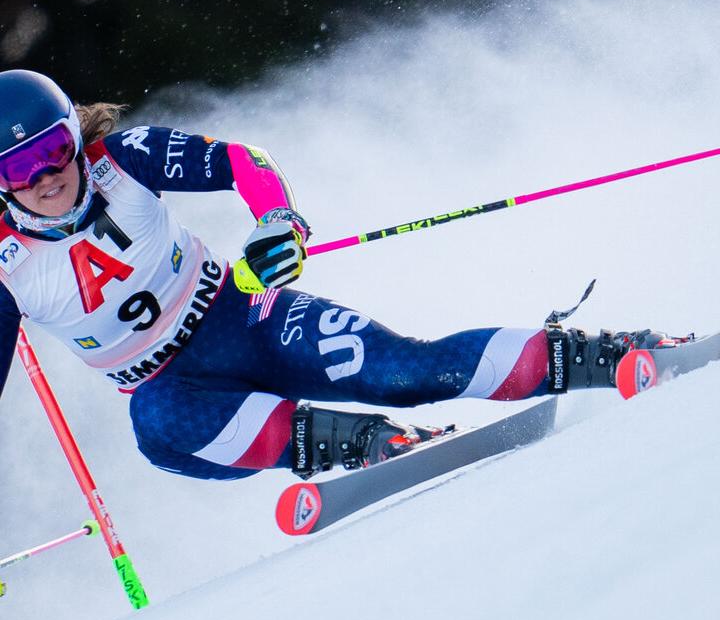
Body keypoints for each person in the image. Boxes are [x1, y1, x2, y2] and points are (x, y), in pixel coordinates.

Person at [0, 69, 680, 482]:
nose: (46, 177)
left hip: (246, 316)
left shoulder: (125, 157)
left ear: (74, 135)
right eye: (17, 171)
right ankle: (364, 446)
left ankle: (606, 354)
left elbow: (244, 160)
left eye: (55, 151)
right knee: (156, 426)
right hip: (178, 389)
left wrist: (279, 224)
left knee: (404, 372)